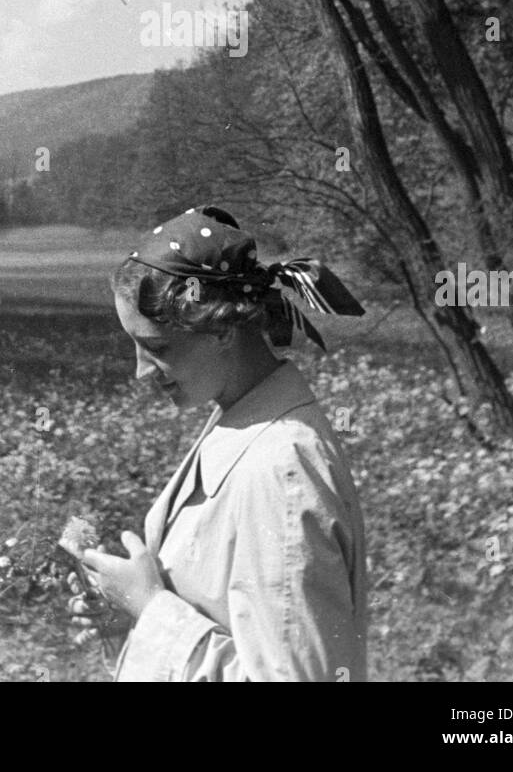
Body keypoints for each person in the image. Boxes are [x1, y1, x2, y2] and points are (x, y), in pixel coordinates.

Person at [66, 204, 368, 683]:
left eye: (158, 347)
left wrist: (150, 609)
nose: (140, 371)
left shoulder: (280, 471)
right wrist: (133, 615)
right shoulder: (242, 424)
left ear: (223, 328)